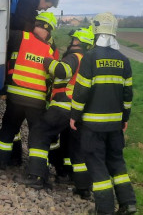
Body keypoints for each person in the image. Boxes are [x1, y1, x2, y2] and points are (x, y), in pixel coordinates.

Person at [70, 12, 137, 215]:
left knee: (97, 164)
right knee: (116, 162)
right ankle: (128, 204)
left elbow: (81, 90)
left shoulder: (90, 58)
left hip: (92, 126)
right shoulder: (124, 60)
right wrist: (125, 118)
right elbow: (128, 94)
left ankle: (105, 209)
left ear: (96, 30)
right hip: (115, 125)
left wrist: (74, 115)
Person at [23, 26, 94, 197]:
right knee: (76, 148)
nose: (72, 42)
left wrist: (49, 62)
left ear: (79, 43)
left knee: (40, 132)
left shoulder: (76, 57)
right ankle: (83, 188)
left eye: (75, 40)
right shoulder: (90, 62)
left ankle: (37, 176)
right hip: (80, 113)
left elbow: (62, 71)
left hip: (64, 107)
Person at [0, 12, 58, 169]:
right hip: (36, 102)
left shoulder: (20, 37)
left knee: (8, 129)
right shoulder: (49, 50)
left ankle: (2, 164)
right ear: (48, 30)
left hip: (15, 97)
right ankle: (36, 170)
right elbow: (51, 78)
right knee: (37, 136)